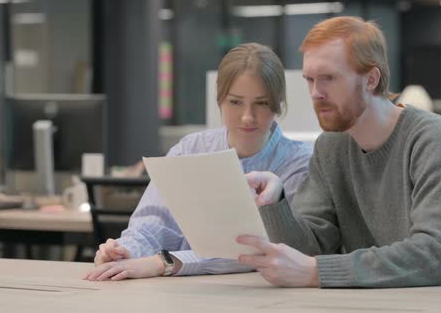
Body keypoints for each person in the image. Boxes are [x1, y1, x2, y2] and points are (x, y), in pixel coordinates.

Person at [236, 16, 441, 288]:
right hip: (397, 299)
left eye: (328, 78)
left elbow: (435, 256)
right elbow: (309, 248)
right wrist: (275, 204)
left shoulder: (433, 140)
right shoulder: (331, 146)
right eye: (310, 80)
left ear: (371, 79)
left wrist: (317, 273)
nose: (315, 92)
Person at [84, 43, 312, 281]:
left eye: (262, 103)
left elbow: (267, 249)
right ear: (220, 99)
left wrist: (165, 262)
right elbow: (154, 221)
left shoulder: (300, 163)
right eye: (235, 102)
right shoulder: (190, 149)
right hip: (179, 292)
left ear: (278, 103)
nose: (247, 116)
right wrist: (125, 250)